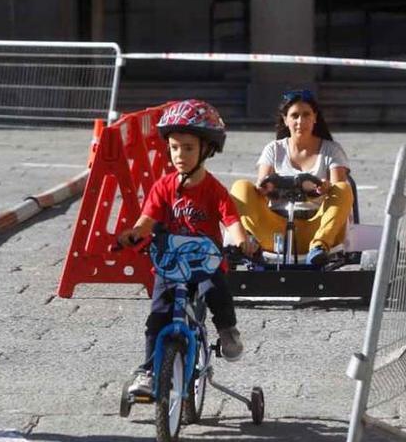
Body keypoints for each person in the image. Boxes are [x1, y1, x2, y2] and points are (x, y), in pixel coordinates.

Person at [117, 99, 258, 396]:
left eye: (189, 148)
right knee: (157, 316)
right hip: (170, 263)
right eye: (174, 147)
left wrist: (241, 239)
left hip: (204, 262)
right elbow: (146, 220)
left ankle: (227, 330)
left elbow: (231, 219)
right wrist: (134, 233)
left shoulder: (214, 189)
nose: (180, 155)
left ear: (207, 149)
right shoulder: (163, 186)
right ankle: (148, 371)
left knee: (215, 289)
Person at [230, 89, 353, 266]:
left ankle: (319, 247)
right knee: (241, 186)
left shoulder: (331, 150)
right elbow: (261, 184)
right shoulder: (274, 149)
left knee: (343, 188)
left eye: (306, 115)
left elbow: (338, 185)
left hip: (319, 228)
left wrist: (325, 188)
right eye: (294, 116)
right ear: (285, 119)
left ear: (315, 118)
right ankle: (249, 243)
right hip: (275, 231)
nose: (300, 121)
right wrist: (266, 188)